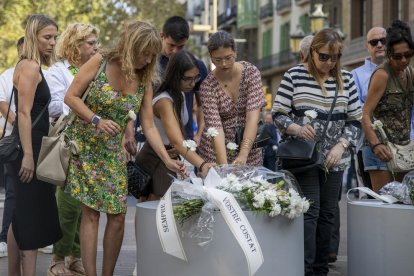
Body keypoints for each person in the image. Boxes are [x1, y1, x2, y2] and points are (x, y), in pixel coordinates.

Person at [63, 20, 184, 276]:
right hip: (84, 147)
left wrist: (167, 159)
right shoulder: (100, 61)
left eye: (153, 54)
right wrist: (96, 119)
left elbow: (149, 126)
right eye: (145, 53)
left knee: (117, 216)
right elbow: (71, 96)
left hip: (113, 152)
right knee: (91, 214)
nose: (149, 59)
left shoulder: (145, 79)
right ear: (131, 47)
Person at [272, 28, 362, 276]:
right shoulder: (294, 76)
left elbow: (355, 120)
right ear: (312, 52)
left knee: (328, 214)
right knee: (311, 212)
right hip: (305, 158)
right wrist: (297, 128)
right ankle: (305, 269)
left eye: (334, 57)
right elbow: (278, 113)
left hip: (335, 159)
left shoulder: (346, 79)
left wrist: (341, 144)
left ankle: (321, 269)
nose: (328, 63)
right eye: (323, 56)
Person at [7, 14, 62, 276]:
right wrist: (29, 155)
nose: (52, 42)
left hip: (30, 147)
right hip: (30, 149)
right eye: (47, 37)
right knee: (30, 217)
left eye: (54, 37)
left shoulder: (29, 65)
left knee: (21, 214)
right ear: (33, 36)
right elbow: (25, 114)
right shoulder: (29, 66)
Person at [45, 23, 99, 276]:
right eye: (90, 43)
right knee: (67, 206)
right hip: (70, 143)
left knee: (85, 207)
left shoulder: (97, 69)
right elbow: (55, 106)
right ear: (75, 45)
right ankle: (57, 258)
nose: (96, 47)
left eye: (96, 43)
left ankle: (74, 255)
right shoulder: (57, 71)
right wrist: (84, 110)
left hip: (94, 144)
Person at [136, 50, 215, 200]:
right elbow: (177, 142)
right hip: (156, 157)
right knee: (158, 208)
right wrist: (203, 164)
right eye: (187, 79)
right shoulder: (165, 101)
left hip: (170, 156)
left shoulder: (180, 94)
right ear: (175, 76)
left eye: (195, 78)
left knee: (163, 208)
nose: (193, 83)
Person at [198, 31, 266, 166]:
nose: (223, 64)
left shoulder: (251, 73)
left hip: (248, 145)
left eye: (228, 58)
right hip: (216, 150)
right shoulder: (207, 86)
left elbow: (252, 118)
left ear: (235, 52)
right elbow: (215, 128)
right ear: (210, 57)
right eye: (218, 60)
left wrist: (243, 154)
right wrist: (224, 168)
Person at [361, 20, 414, 192]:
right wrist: (376, 145)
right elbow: (365, 114)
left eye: (408, 54)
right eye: (398, 56)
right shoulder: (382, 75)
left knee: (402, 207)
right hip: (380, 152)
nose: (404, 60)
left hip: (404, 150)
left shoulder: (410, 72)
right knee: (385, 209)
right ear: (389, 53)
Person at [158, 16, 207, 143]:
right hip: (150, 139)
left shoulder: (197, 67)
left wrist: (199, 134)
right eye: (171, 45)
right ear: (161, 36)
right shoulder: (149, 64)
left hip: (186, 140)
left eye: (180, 47)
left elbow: (202, 105)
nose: (175, 51)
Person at [352, 27, 387, 191]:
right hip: (368, 146)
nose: (379, 44)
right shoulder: (355, 75)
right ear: (368, 46)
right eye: (374, 42)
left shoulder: (402, 72)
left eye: (383, 41)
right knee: (374, 199)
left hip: (403, 146)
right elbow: (356, 109)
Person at [0, 37, 24, 259]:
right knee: (13, 192)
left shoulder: (42, 74)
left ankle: (30, 236)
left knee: (36, 193)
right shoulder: (7, 76)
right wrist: (22, 124)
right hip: (13, 141)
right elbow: (2, 104)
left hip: (37, 142)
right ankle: (3, 238)